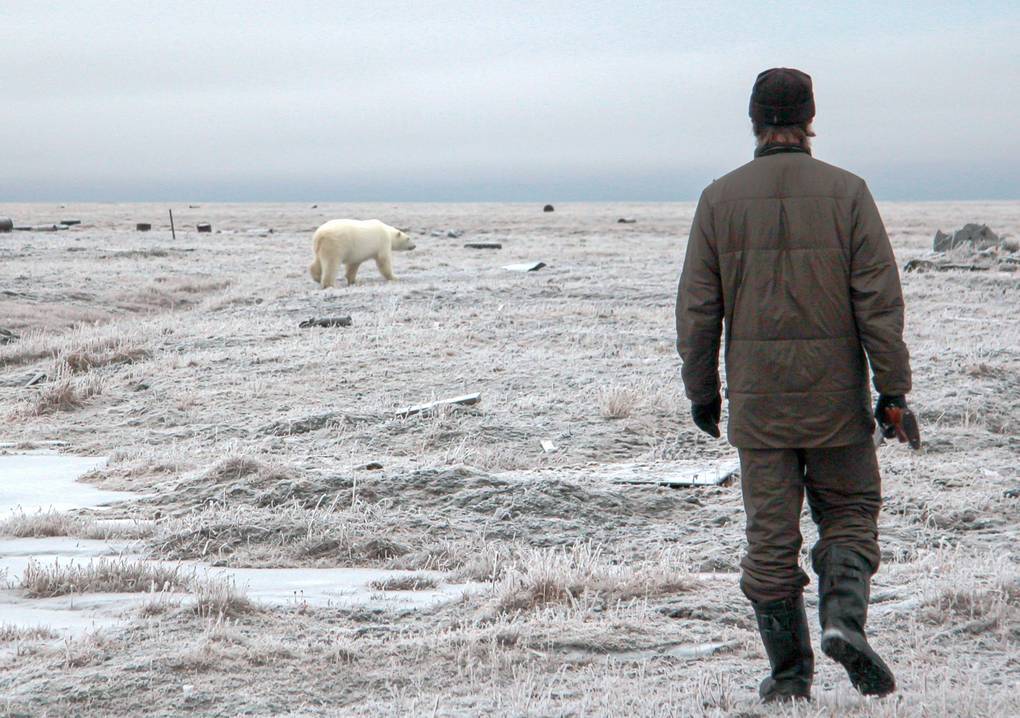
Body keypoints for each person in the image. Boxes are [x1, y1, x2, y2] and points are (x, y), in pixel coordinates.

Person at [675, 67, 912, 702]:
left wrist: (703, 392)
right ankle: (842, 619)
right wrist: (893, 392)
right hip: (837, 402)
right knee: (852, 513)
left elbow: (698, 310)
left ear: (754, 120)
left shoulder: (718, 199)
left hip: (759, 408)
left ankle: (787, 677)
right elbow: (879, 303)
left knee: (771, 539)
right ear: (810, 118)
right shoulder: (849, 192)